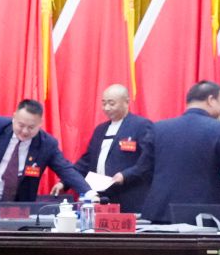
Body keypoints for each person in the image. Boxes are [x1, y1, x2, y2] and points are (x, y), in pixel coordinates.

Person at [114, 80, 220, 223]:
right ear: (211, 100)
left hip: (160, 211)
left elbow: (143, 169)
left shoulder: (158, 128)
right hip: (205, 214)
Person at [0, 99, 95, 201]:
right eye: (21, 125)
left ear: (40, 124)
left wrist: (88, 192)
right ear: (14, 117)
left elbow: (66, 170)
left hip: (18, 206)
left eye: (31, 127)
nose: (25, 131)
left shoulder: (47, 144)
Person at [51, 84, 154, 213]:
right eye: (104, 103)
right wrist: (65, 182)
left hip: (130, 198)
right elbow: (86, 162)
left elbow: (148, 161)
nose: (106, 108)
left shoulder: (141, 126)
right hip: (102, 198)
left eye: (111, 104)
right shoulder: (100, 130)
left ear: (126, 102)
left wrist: (125, 175)